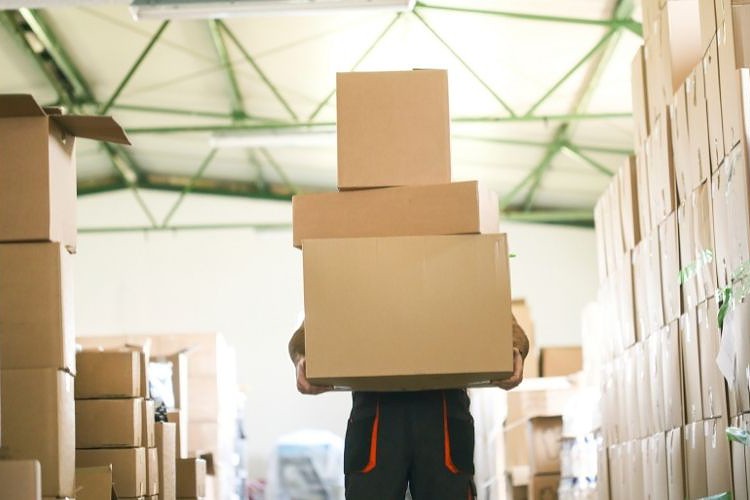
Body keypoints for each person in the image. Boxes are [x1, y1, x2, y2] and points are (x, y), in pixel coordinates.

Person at [288, 316, 529, 500]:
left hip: (443, 414)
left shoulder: (459, 259)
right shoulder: (355, 261)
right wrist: (303, 356)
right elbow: (310, 327)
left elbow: (502, 318)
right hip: (377, 415)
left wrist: (513, 349)